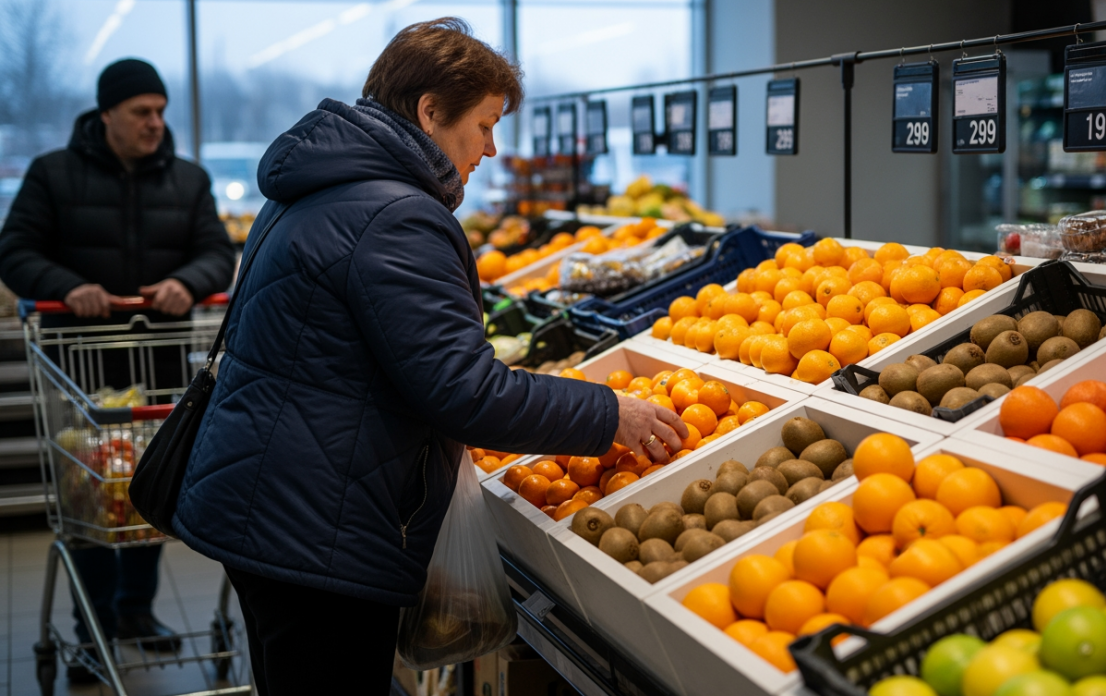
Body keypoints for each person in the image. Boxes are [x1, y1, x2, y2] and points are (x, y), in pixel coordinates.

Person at [171, 18, 687, 696]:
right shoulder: (395, 215)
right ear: (430, 112)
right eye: (485, 125)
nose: (492, 148)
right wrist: (609, 413)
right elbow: (465, 391)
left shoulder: (316, 186)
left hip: (271, 501)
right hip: (317, 526)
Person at [0, 58, 236, 683]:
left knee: (148, 492)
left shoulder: (187, 179)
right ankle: (93, 628)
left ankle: (135, 611)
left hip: (159, 368)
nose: (155, 122)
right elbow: (14, 252)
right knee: (92, 499)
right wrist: (66, 286)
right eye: (141, 112)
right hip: (79, 371)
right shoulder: (53, 174)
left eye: (160, 111)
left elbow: (217, 253)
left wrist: (189, 281)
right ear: (106, 113)